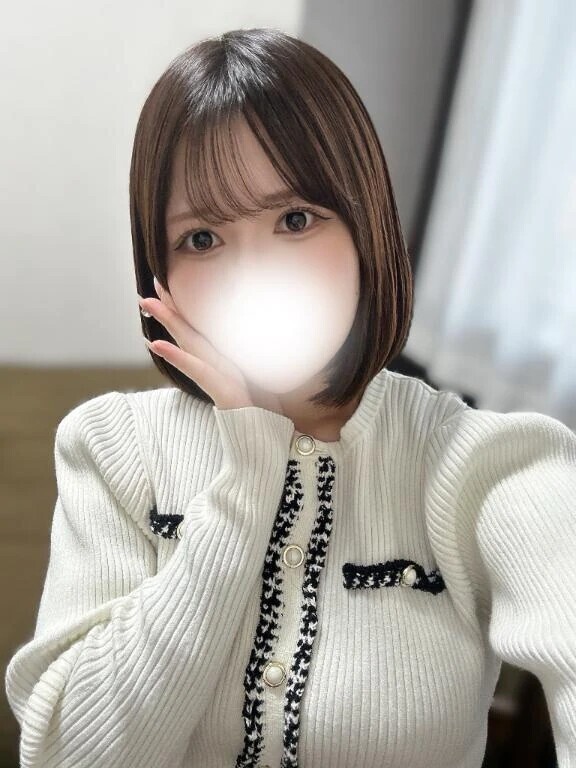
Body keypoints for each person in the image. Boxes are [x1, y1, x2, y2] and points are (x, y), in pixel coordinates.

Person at [5, 27, 576, 768]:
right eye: (202, 238)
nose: (255, 276)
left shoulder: (489, 466)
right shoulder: (111, 449)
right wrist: (248, 476)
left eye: (296, 220)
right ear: (159, 274)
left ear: (365, 231)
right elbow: (64, 755)